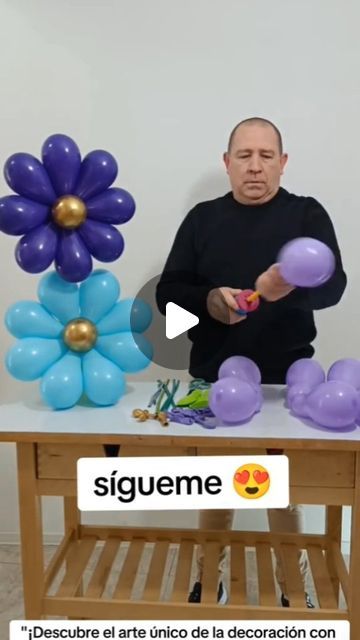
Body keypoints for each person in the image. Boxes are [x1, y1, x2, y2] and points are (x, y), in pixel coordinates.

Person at [155, 117, 347, 607]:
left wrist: (291, 286)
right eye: (244, 156)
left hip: (288, 382)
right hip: (214, 378)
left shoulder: (306, 214)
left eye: (266, 156)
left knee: (282, 491)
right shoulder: (201, 218)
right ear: (227, 163)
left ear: (283, 163)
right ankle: (207, 578)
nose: (255, 167)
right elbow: (168, 297)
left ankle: (291, 583)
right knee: (215, 489)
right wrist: (209, 300)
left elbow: (334, 287)